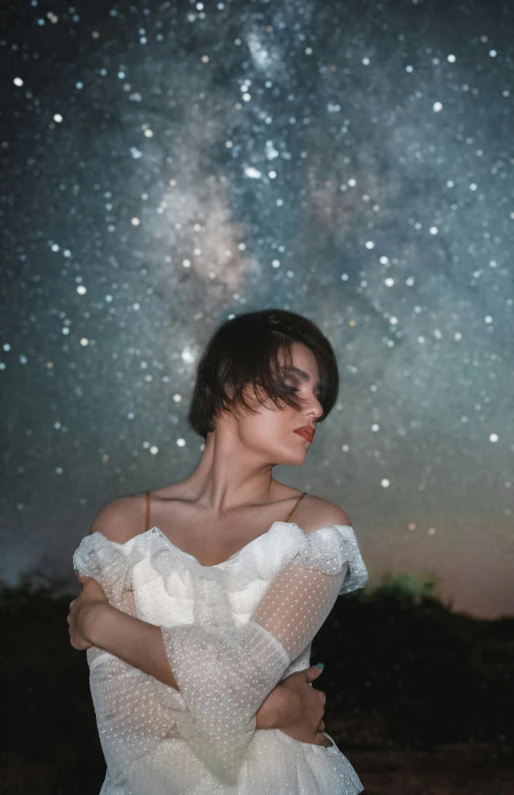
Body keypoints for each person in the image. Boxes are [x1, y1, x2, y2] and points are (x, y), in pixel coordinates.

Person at [68, 308, 369, 794]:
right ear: (229, 382)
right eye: (294, 386)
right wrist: (281, 708)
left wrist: (97, 622)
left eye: (319, 396)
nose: (316, 409)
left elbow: (237, 678)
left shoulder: (317, 529)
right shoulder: (123, 525)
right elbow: (124, 715)